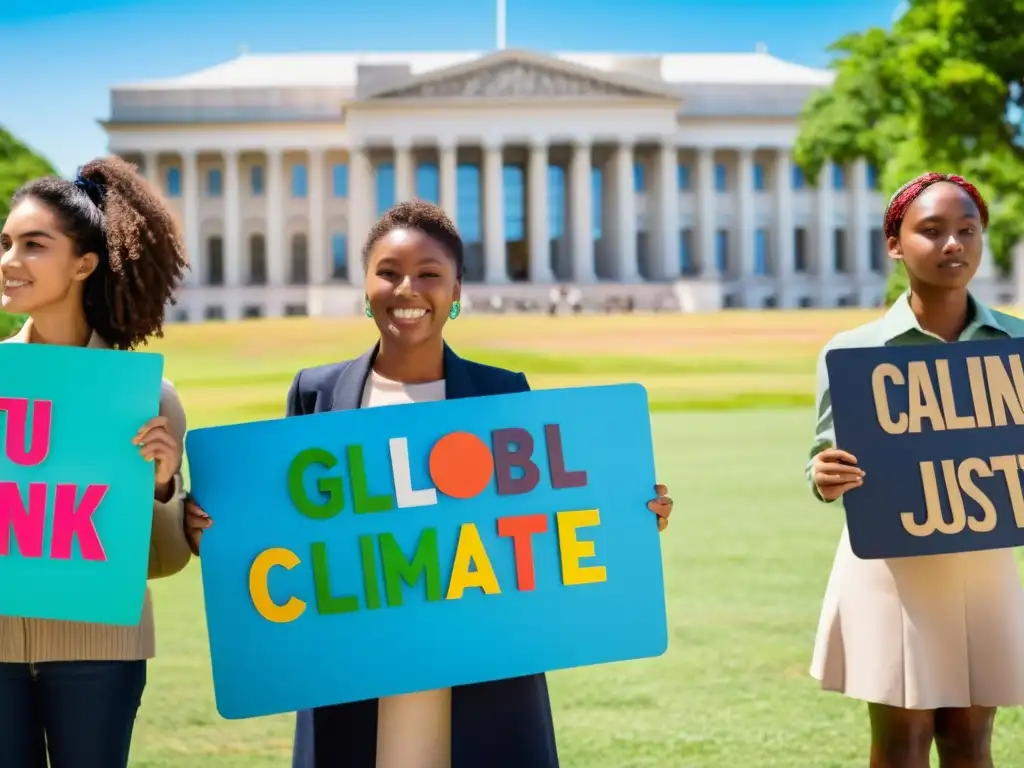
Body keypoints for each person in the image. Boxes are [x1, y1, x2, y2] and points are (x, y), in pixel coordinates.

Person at [183, 200, 674, 768]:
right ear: (364, 286)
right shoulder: (315, 394)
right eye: (388, 273)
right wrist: (214, 531)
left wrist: (628, 514)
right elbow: (279, 531)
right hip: (350, 681)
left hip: (480, 688)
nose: (407, 289)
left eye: (429, 274)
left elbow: (545, 523)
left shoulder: (502, 395)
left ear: (457, 290)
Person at [807, 172, 1024, 768]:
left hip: (984, 562)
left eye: (967, 230)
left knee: (971, 740)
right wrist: (825, 476)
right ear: (896, 244)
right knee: (901, 742)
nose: (953, 243)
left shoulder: (1017, 343)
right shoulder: (853, 351)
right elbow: (823, 458)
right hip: (891, 566)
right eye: (932, 231)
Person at [0, 157, 193, 767]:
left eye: (34, 245)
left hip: (100, 650)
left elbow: (164, 562)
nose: (9, 260)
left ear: (83, 263)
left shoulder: (147, 400)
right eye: (5, 243)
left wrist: (161, 486)